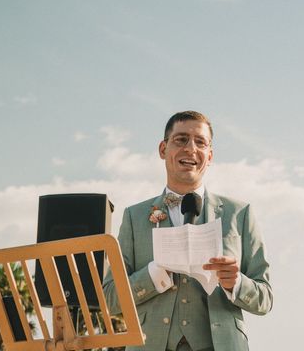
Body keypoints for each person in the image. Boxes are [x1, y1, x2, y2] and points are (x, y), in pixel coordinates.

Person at [103, 110, 273, 351]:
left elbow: (265, 299)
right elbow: (110, 299)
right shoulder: (134, 216)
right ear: (163, 149)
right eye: (181, 139)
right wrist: (155, 272)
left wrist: (235, 282)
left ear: (210, 155)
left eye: (200, 142)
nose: (191, 148)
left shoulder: (240, 213)